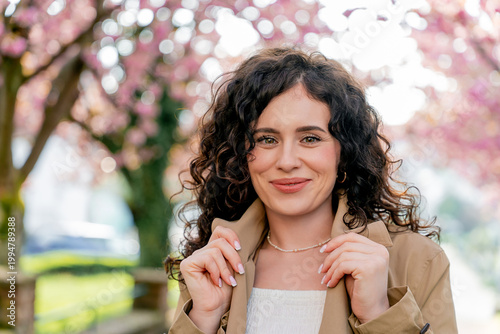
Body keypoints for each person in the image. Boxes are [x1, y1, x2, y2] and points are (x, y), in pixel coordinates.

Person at [164, 46, 458, 334]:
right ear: (240, 154)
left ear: (344, 151)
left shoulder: (417, 262)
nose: (287, 161)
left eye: (310, 138)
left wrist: (378, 315)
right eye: (267, 139)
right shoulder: (214, 264)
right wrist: (203, 320)